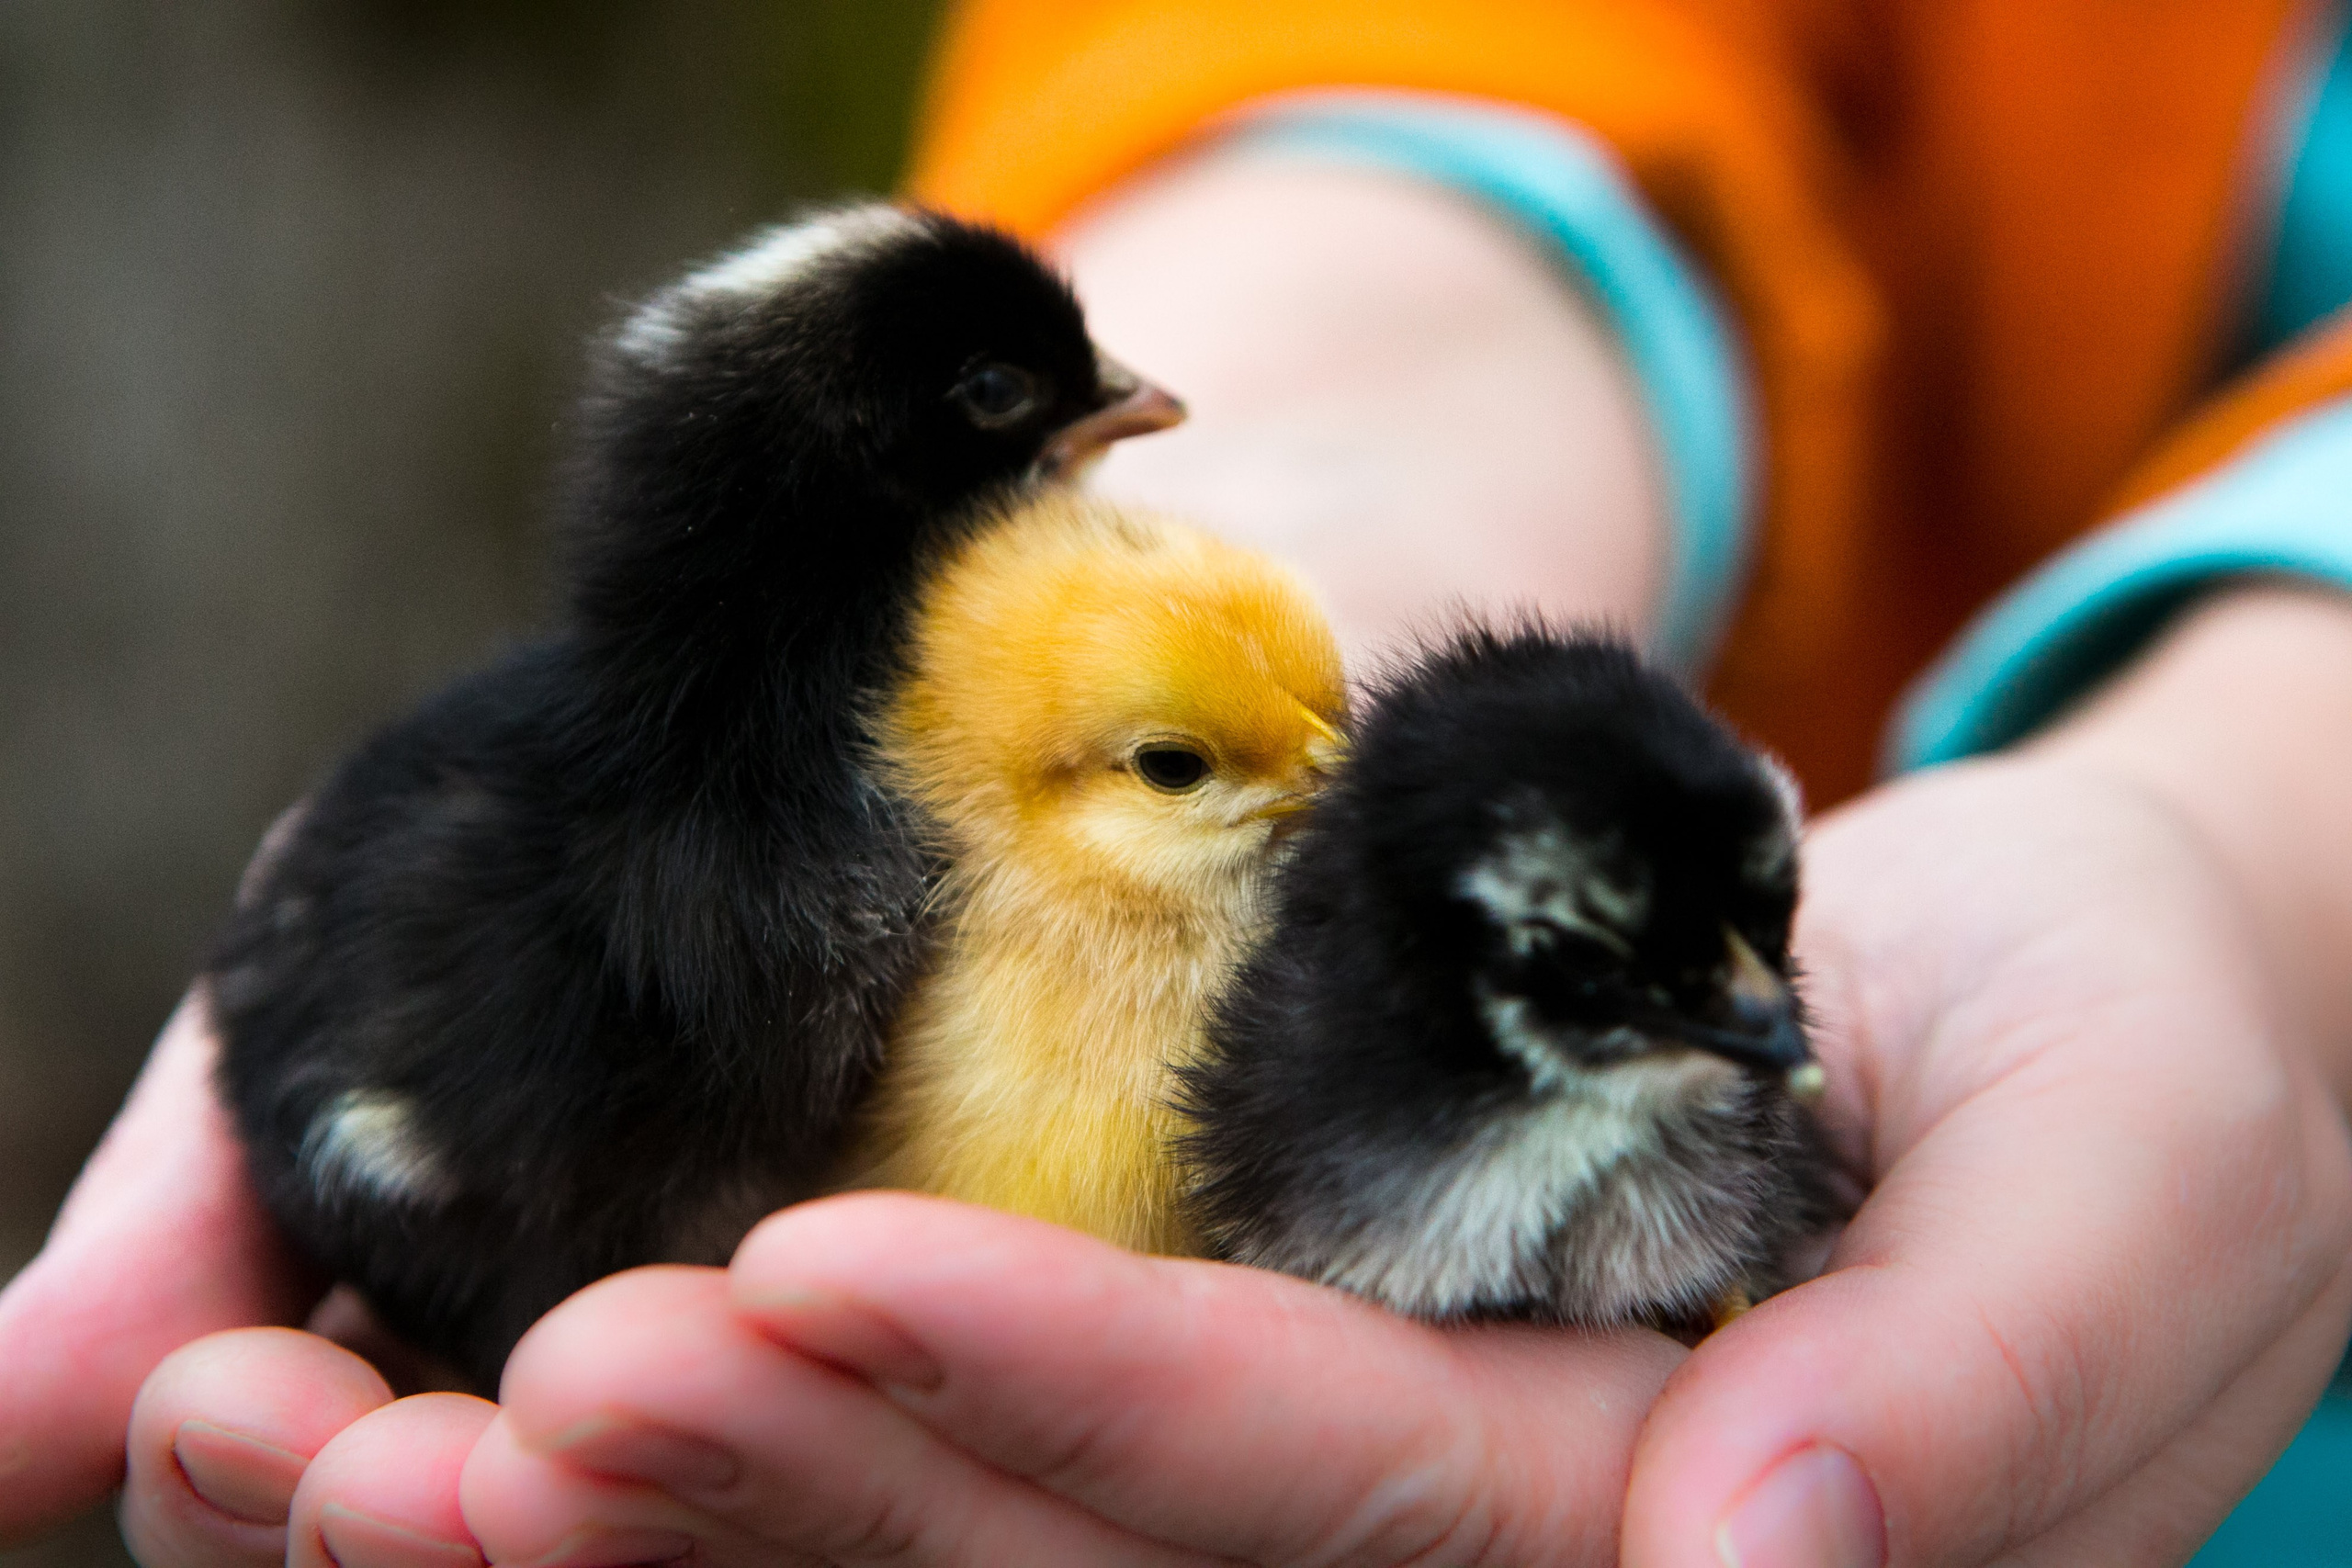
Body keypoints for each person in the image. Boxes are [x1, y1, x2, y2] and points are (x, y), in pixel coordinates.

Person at [7, 3, 2352, 1563]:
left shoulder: (1161, 924)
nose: (1312, 792)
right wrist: (1380, 317)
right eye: (1199, 762)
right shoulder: (816, 888)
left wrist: (2258, 842)